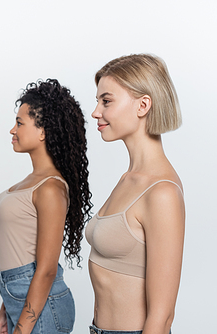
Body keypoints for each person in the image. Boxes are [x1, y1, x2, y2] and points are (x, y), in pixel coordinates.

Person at [86, 54, 185, 334]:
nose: (96, 112)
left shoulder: (161, 192)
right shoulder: (128, 179)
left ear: (143, 105)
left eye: (106, 101)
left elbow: (162, 316)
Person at [0, 79, 93, 334]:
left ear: (43, 131)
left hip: (43, 309)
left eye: (19, 123)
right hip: (22, 299)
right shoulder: (32, 182)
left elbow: (46, 269)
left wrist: (22, 328)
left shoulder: (50, 188)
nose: (12, 131)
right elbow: (19, 249)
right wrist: (6, 308)